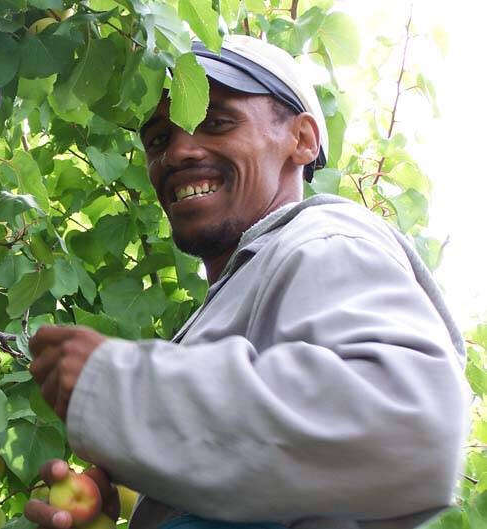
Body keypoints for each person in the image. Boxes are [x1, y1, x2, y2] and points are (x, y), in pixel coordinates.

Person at [24, 35, 469, 529]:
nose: (178, 153)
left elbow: (408, 431)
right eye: (157, 140)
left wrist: (120, 387)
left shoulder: (321, 238)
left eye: (215, 122)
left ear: (301, 139)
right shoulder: (238, 292)